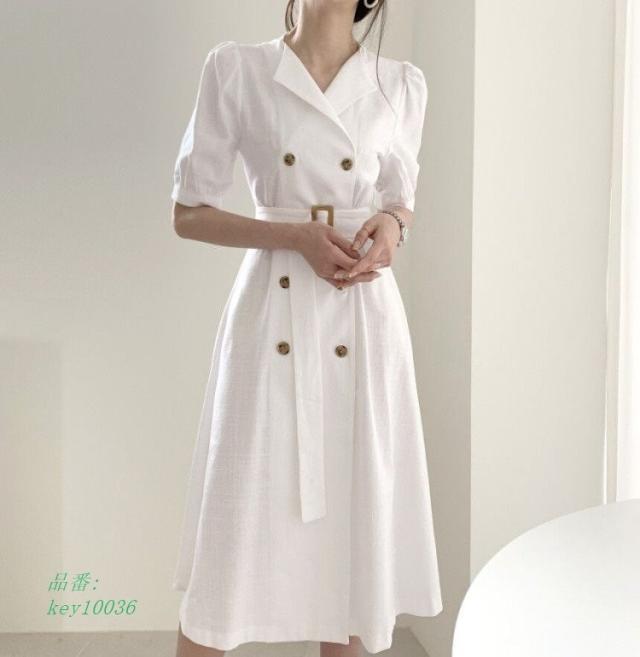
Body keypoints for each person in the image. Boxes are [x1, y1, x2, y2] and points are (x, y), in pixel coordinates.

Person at [170, 1, 443, 655]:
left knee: (351, 555)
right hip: (271, 315)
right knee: (231, 537)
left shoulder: (399, 84)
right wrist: (295, 236)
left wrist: (392, 226)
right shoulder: (237, 70)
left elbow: (399, 199)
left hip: (362, 317)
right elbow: (188, 213)